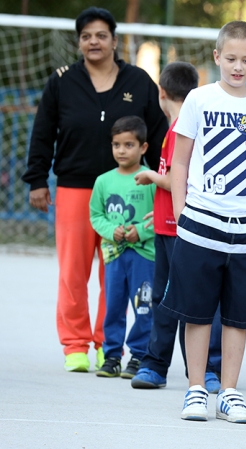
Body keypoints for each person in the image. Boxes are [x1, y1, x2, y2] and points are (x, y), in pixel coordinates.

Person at [22, 6, 167, 373]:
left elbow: (161, 134)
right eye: (86, 36)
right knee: (73, 271)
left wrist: (166, 182)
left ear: (115, 41)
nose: (94, 42)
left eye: (101, 35)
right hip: (74, 188)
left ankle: (108, 346)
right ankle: (74, 344)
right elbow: (42, 132)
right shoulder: (62, 81)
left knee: (115, 273)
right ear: (79, 42)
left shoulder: (138, 81)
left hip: (131, 191)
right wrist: (37, 180)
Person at [158, 21, 246, 423]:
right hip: (200, 221)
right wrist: (181, 212)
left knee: (238, 314)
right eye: (230, 59)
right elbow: (180, 159)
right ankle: (196, 389)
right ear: (217, 57)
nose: (237, 66)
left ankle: (229, 391)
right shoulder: (198, 99)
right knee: (196, 310)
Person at [131, 62, 222, 393]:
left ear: (161, 93)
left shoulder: (184, 127)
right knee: (163, 296)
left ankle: (206, 370)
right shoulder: (178, 126)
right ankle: (156, 364)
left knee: (192, 300)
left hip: (185, 230)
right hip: (166, 227)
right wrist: (155, 212)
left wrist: (151, 176)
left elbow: (177, 179)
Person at [89, 116, 155, 378]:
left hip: (144, 256)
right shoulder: (103, 181)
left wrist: (141, 231)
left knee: (143, 306)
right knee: (113, 304)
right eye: (117, 145)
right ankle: (112, 355)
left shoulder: (151, 179)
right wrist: (110, 231)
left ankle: (139, 356)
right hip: (114, 256)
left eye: (129, 145)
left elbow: (161, 215)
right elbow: (96, 216)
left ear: (143, 148)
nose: (121, 150)